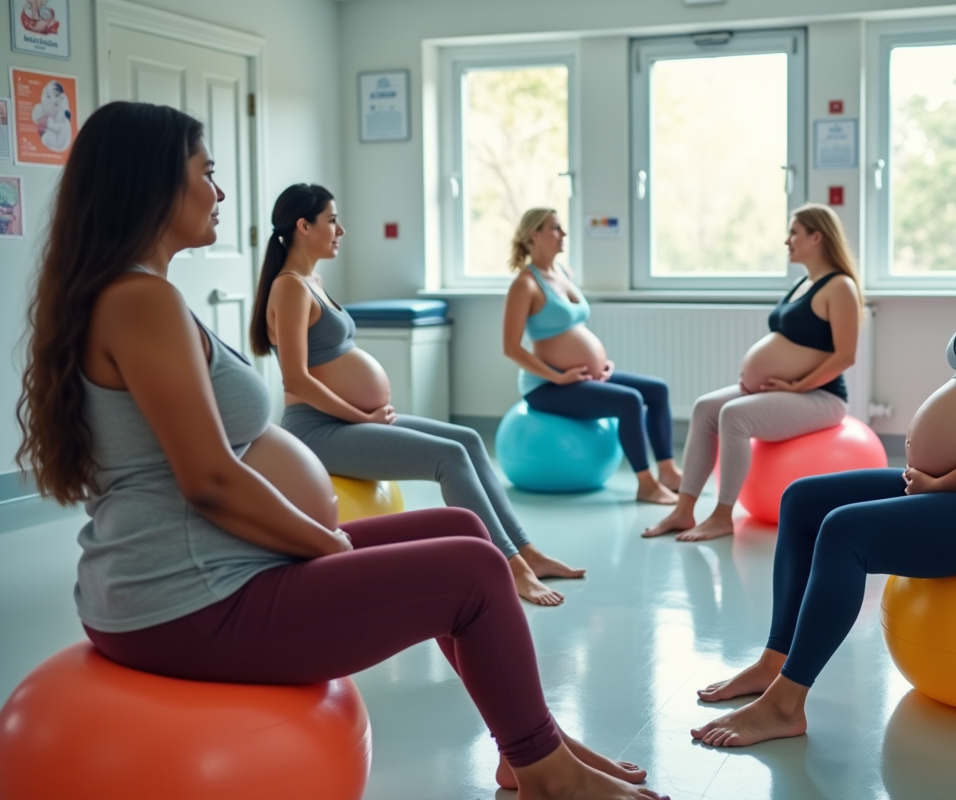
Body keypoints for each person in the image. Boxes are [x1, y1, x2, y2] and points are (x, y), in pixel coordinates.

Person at [15, 101, 665, 800]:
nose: (221, 191)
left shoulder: (134, 295)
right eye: (207, 172)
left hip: (208, 570)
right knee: (476, 571)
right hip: (189, 600)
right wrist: (326, 545)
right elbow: (209, 480)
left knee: (460, 527)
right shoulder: (140, 302)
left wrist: (318, 539)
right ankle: (548, 775)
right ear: (150, 185)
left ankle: (529, 745)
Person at [690, 139, 956, 747]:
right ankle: (774, 662)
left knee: (845, 531)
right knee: (802, 502)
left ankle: (787, 705)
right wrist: (936, 475)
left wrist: (945, 483)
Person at [250, 185, 582, 607]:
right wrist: (360, 417)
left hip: (348, 421)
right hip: (318, 430)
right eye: (332, 220)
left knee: (469, 440)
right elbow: (295, 379)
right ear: (303, 226)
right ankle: (512, 568)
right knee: (449, 458)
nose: (341, 230)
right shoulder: (290, 287)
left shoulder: (313, 281)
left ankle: (527, 551)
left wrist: (362, 415)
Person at [643, 204, 861, 542]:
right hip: (787, 390)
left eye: (794, 233)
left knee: (734, 415)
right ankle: (684, 510)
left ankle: (721, 516)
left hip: (822, 397)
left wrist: (797, 386)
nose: (787, 241)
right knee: (704, 407)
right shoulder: (804, 283)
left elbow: (845, 356)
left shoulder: (840, 287)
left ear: (816, 237)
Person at [503, 208, 681, 504]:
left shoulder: (563, 273)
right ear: (534, 234)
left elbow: (572, 328)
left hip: (581, 376)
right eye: (556, 228)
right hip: (546, 387)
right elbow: (511, 348)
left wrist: (599, 362)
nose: (563, 234)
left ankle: (668, 472)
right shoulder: (525, 284)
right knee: (630, 401)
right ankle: (646, 484)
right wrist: (559, 377)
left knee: (657, 390)